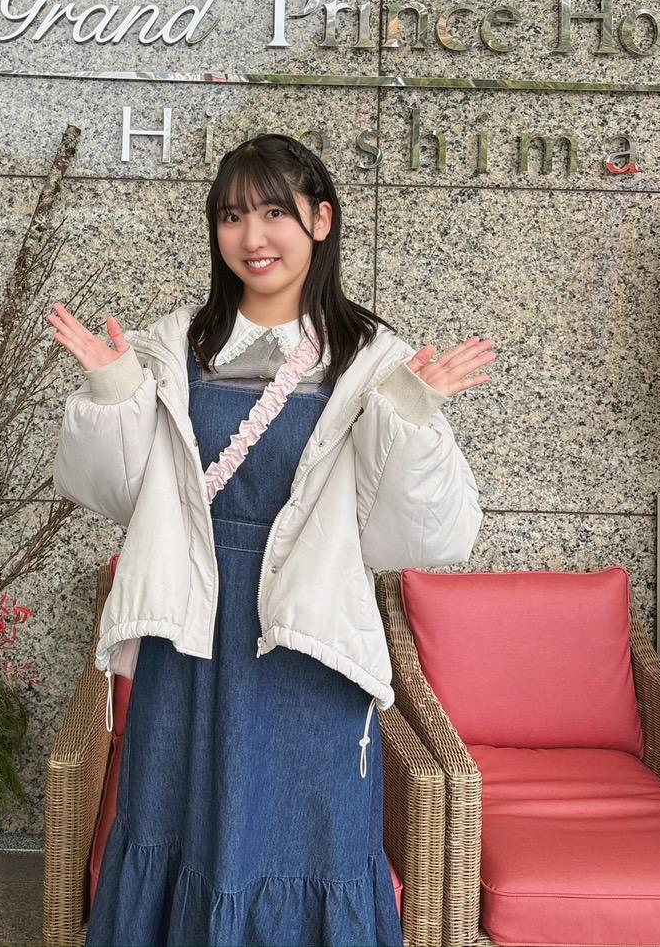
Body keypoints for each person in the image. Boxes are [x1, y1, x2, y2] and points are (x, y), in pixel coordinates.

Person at [49, 133, 493, 947]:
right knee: (175, 824)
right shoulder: (175, 347)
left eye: (273, 212)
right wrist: (114, 391)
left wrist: (409, 415)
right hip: (190, 633)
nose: (252, 236)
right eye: (231, 216)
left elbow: (424, 533)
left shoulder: (373, 362)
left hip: (311, 645)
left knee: (308, 840)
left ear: (321, 220)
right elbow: (114, 492)